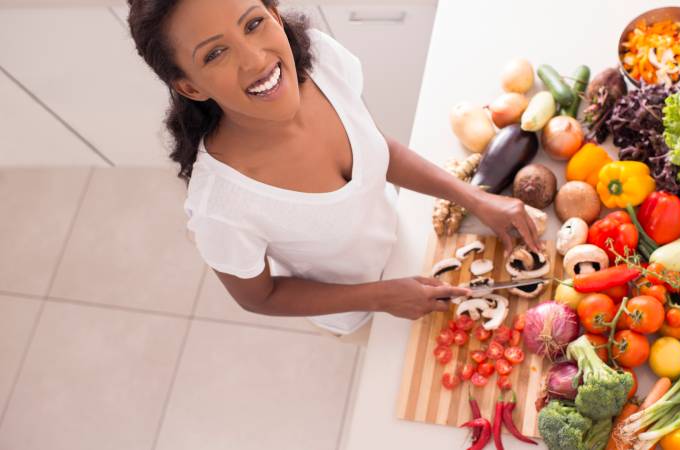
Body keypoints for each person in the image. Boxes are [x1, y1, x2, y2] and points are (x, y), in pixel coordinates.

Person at [126, 0, 540, 336]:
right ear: (190, 86)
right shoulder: (221, 207)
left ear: (272, 11)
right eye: (216, 53)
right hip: (356, 307)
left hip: (408, 241)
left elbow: (376, 148)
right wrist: (381, 298)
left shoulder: (319, 60)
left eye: (252, 23)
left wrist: (474, 197)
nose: (255, 60)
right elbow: (259, 296)